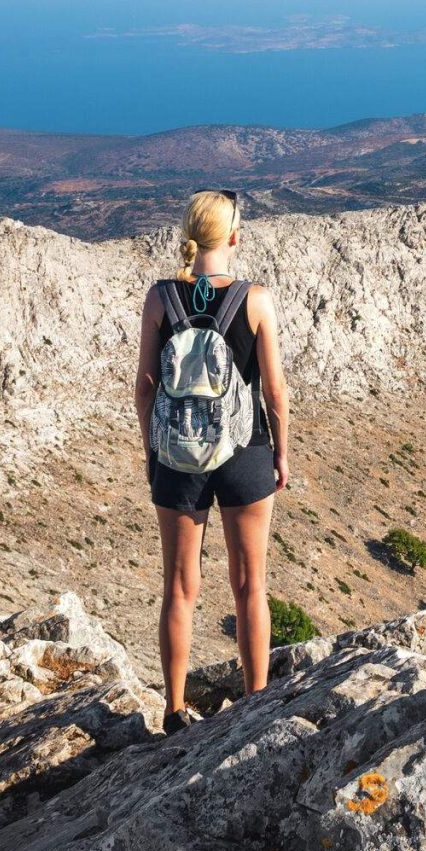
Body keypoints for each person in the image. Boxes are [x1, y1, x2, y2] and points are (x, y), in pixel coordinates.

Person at [134, 188, 290, 730]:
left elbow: (145, 390)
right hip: (245, 451)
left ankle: (174, 710)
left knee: (178, 587)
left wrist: (153, 451)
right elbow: (275, 393)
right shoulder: (255, 299)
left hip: (176, 453)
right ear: (233, 238)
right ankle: (256, 705)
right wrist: (282, 454)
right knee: (251, 585)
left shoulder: (161, 298)